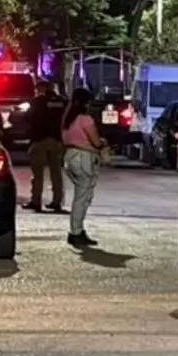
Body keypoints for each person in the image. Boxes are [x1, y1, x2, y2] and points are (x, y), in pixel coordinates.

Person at [61, 87, 105, 247]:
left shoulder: (68, 118)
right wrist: (102, 145)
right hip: (83, 158)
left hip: (69, 156)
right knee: (83, 197)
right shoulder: (86, 119)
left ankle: (77, 230)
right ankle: (76, 231)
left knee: (81, 195)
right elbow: (96, 142)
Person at [24, 81, 68, 212]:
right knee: (56, 173)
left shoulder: (37, 102)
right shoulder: (62, 102)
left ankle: (36, 201)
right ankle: (57, 201)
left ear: (41, 89)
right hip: (56, 140)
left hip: (39, 139)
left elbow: (27, 118)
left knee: (38, 174)